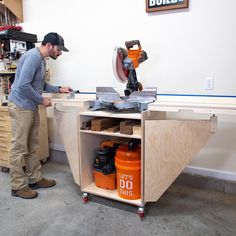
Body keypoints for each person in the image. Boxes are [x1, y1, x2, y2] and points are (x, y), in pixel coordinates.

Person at [8, 32, 72, 199]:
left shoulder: (41, 60)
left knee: (32, 145)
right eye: (59, 50)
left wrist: (58, 89)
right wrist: (41, 100)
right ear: (49, 46)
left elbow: (40, 83)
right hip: (21, 106)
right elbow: (22, 86)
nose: (60, 53)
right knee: (19, 148)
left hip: (30, 106)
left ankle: (35, 179)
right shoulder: (33, 58)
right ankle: (18, 186)